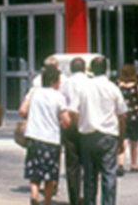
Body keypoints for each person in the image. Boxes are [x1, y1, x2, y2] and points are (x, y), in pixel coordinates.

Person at [70, 56, 127, 205]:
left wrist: (80, 126)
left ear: (91, 70)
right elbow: (121, 116)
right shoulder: (113, 88)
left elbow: (73, 112)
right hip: (108, 135)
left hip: (87, 135)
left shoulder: (83, 87)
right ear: (106, 69)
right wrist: (121, 138)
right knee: (109, 175)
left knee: (89, 175)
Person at [19, 66, 71, 205]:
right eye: (59, 81)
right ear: (53, 82)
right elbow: (66, 120)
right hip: (51, 139)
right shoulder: (59, 97)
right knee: (50, 175)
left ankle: (34, 196)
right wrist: (62, 123)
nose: (60, 84)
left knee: (34, 170)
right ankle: (47, 201)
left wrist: (33, 117)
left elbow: (22, 110)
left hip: (34, 136)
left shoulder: (34, 92)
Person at [60, 57, 89, 205]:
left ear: (71, 69)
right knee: (89, 162)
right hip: (86, 121)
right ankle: (89, 197)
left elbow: (62, 103)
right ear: (85, 68)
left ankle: (74, 198)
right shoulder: (89, 82)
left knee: (72, 163)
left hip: (70, 123)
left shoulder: (65, 83)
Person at [116, 63, 138, 175]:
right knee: (134, 141)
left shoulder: (117, 86)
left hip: (122, 117)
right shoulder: (137, 86)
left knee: (122, 140)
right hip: (135, 117)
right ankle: (133, 164)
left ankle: (120, 163)